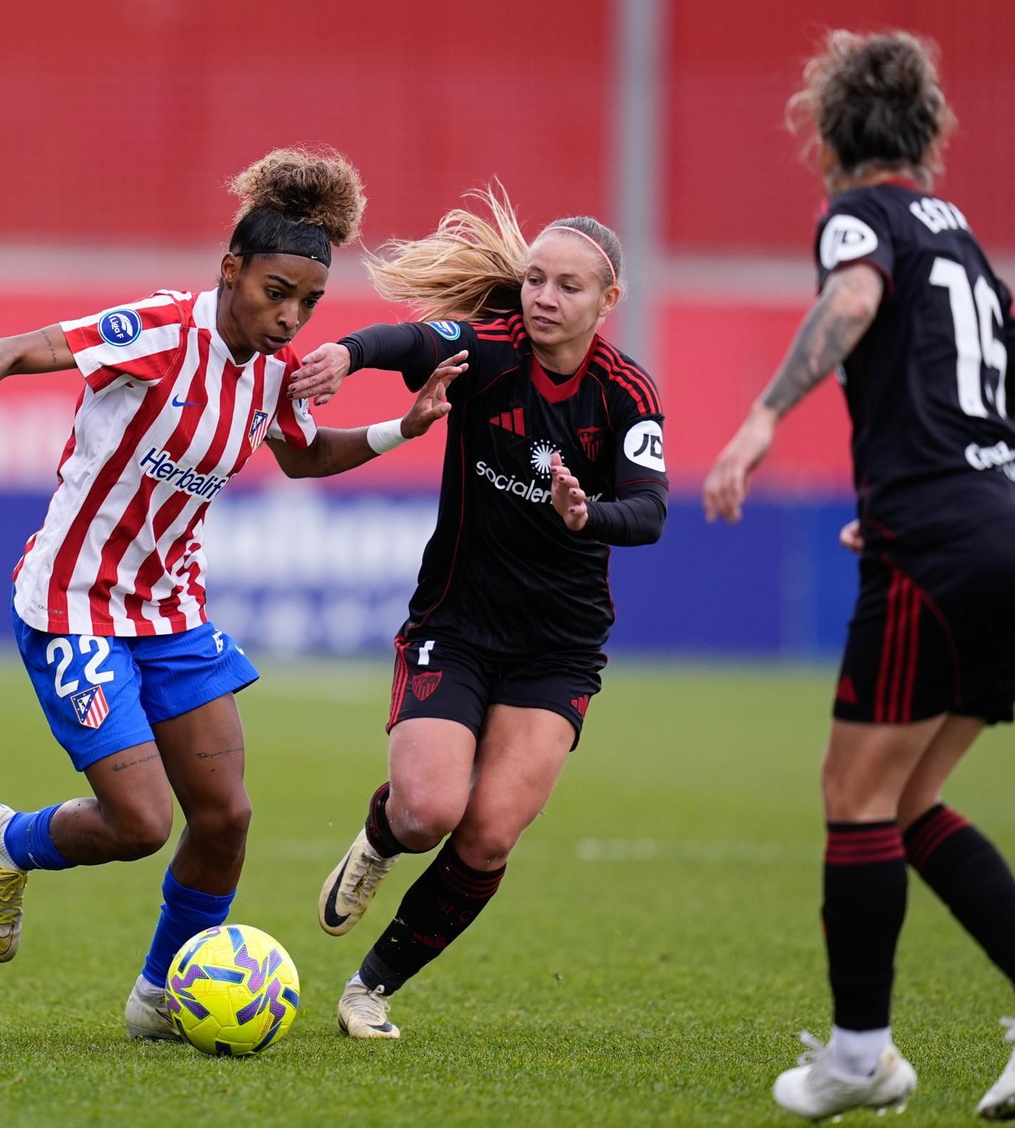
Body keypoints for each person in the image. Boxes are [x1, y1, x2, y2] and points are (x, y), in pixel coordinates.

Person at [0, 146, 460, 1042]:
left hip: (170, 611)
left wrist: (399, 427)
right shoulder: (157, 332)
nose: (290, 315)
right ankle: (9, 839)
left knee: (225, 817)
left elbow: (303, 455)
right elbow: (5, 351)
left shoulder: (276, 370)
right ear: (231, 269)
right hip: (73, 602)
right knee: (143, 822)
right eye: (276, 291)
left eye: (308, 301)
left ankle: (159, 1000)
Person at [700, 31, 1015, 1121]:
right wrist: (945, 490)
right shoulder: (962, 239)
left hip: (942, 543)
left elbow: (849, 304)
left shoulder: (864, 216)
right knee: (908, 796)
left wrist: (757, 421)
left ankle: (859, 1056)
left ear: (829, 133)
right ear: (927, 130)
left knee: (853, 796)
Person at [285, 188, 669, 1039]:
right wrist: (348, 356)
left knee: (489, 833)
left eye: (568, 286)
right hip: (455, 626)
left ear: (609, 302)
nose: (542, 298)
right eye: (534, 279)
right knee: (427, 813)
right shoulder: (491, 353)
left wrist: (586, 516)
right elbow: (411, 341)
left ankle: (370, 988)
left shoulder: (625, 394)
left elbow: (648, 512)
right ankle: (380, 839)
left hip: (557, 649)